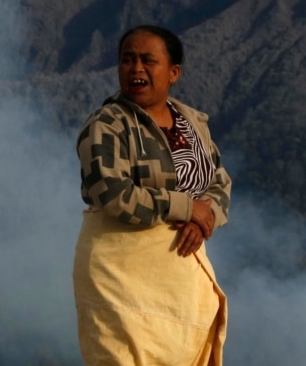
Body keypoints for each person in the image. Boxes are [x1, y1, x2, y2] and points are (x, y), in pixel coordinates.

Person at [73, 25, 232, 365]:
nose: (136, 69)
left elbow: (218, 182)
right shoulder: (107, 124)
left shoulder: (191, 123)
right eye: (127, 60)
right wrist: (185, 207)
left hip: (181, 281)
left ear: (174, 72)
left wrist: (204, 219)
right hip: (119, 276)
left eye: (148, 60)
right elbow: (111, 192)